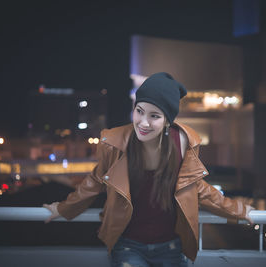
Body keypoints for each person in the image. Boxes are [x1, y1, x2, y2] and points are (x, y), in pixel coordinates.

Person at [43, 72, 254, 267]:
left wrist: (239, 210)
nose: (143, 123)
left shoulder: (182, 147)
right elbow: (95, 182)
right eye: (139, 111)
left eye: (154, 116)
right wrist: (63, 208)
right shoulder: (117, 144)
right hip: (127, 246)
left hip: (171, 246)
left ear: (167, 122)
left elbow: (200, 189)